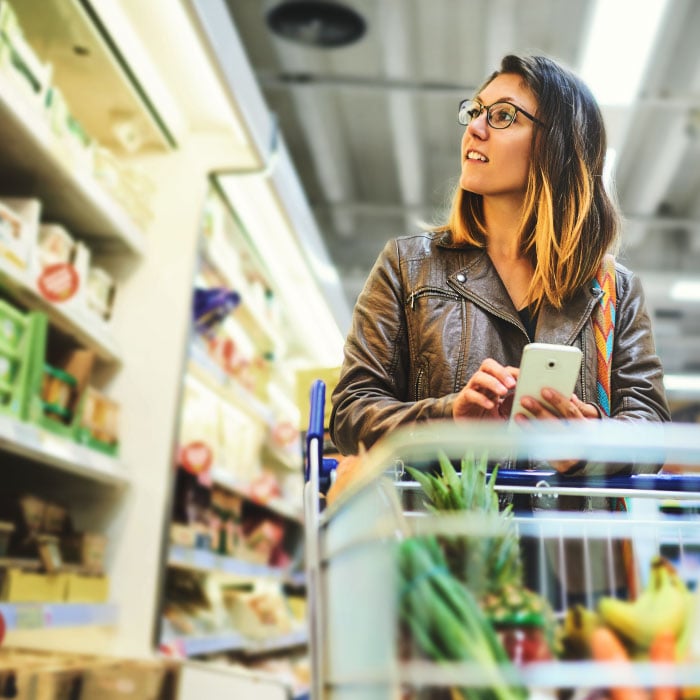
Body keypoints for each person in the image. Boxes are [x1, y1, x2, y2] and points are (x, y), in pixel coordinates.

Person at [327, 53, 672, 605]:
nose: (477, 127)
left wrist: (586, 447)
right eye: (476, 110)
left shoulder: (613, 290)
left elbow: (650, 427)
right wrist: (446, 417)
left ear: (558, 147)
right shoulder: (408, 266)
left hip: (574, 581)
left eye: (505, 115)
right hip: (439, 576)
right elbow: (348, 415)